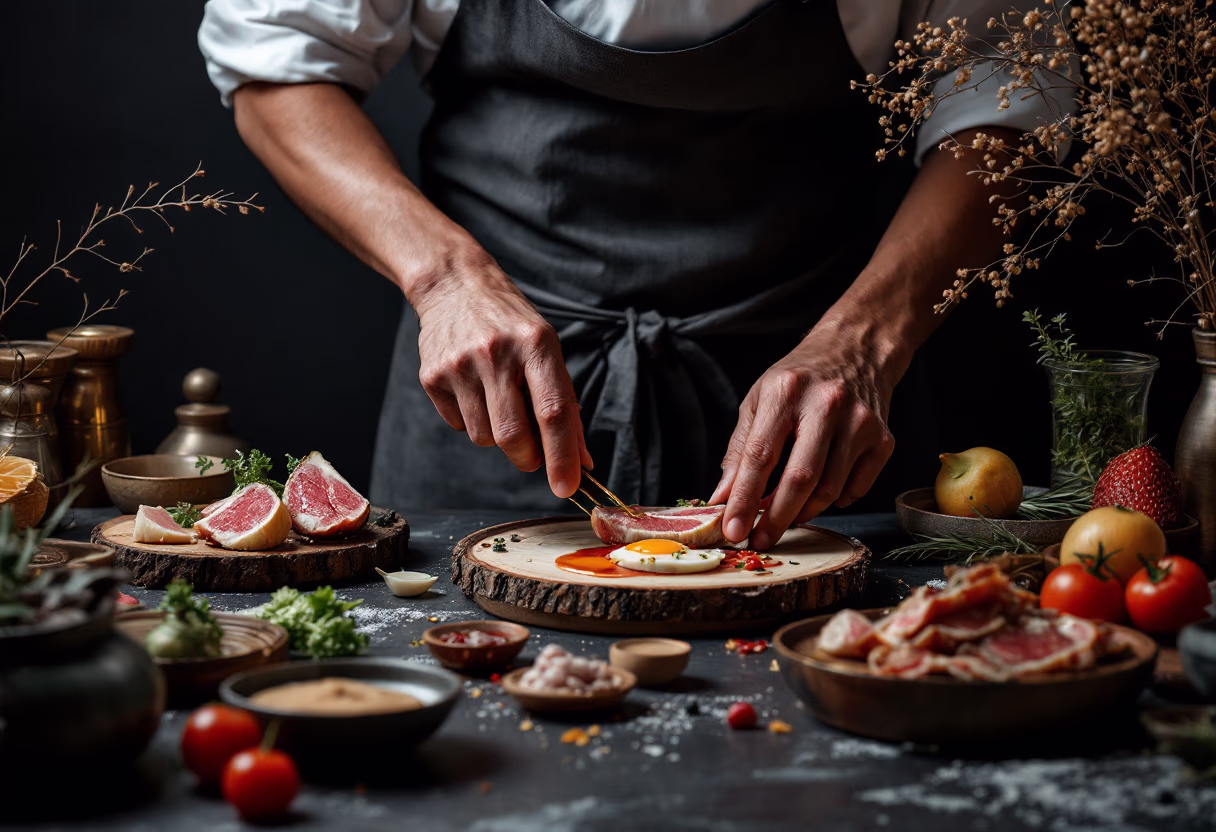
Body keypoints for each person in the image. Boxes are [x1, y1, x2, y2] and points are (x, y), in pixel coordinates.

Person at [199, 0, 1070, 550]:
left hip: (817, 424)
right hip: (491, 407)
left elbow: (1006, 98)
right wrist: (446, 279)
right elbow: (279, 62)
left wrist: (867, 340)